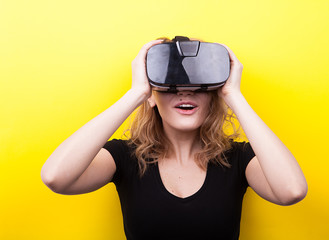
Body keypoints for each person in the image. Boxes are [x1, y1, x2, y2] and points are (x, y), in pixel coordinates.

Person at [41, 38, 308, 240]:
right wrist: (136, 94)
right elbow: (56, 177)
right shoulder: (125, 157)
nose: (185, 92)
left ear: (213, 93)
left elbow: (291, 191)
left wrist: (234, 95)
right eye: (170, 85)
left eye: (198, 84)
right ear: (152, 94)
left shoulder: (237, 159)